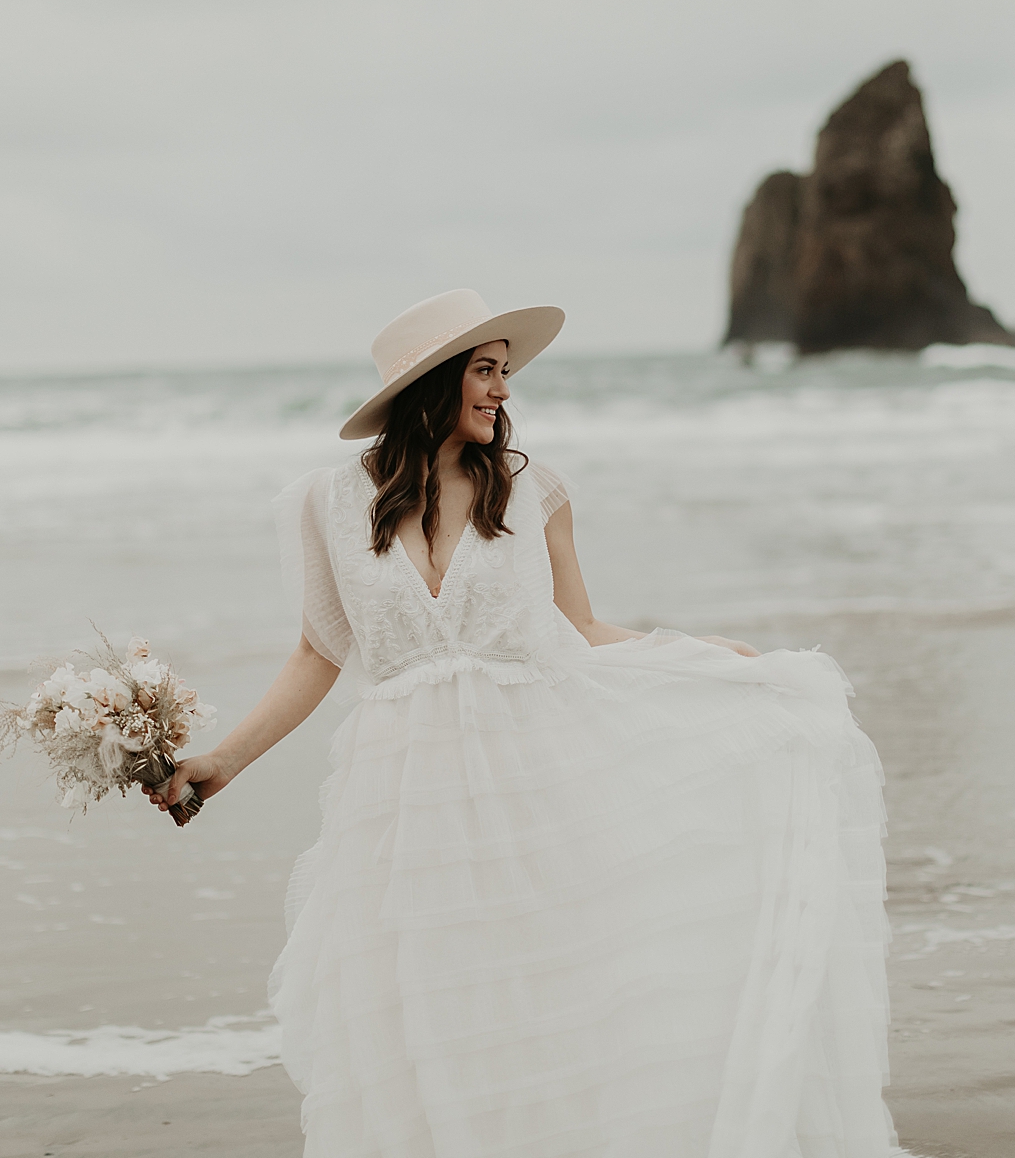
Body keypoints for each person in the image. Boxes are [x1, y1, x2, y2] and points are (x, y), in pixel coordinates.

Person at [150, 289, 900, 1156]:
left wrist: (706, 659)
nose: (504, 390)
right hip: (399, 805)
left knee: (541, 1005)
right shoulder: (330, 502)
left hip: (526, 791)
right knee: (422, 1014)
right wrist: (223, 761)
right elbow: (318, 653)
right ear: (434, 382)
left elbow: (581, 628)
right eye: (485, 370)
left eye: (504, 371)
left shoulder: (531, 489)